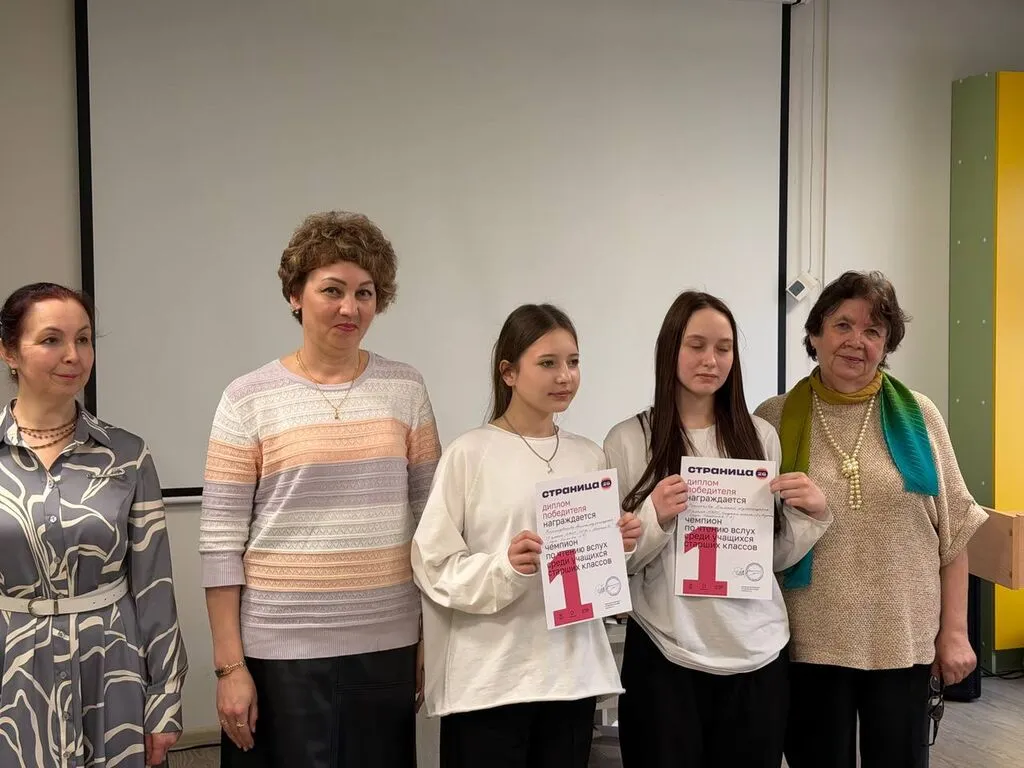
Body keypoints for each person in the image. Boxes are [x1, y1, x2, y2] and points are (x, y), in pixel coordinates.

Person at [199, 211, 441, 767]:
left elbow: (433, 525)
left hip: (387, 645)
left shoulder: (406, 388)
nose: (349, 308)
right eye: (332, 290)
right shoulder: (247, 397)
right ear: (295, 295)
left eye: (365, 293)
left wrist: (431, 635)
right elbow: (219, 545)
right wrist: (230, 667)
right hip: (278, 653)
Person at [754, 270, 988, 768]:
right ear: (815, 334)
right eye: (842, 325)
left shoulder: (920, 416)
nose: (856, 341)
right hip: (808, 640)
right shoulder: (773, 418)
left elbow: (955, 533)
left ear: (886, 345)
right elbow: (752, 531)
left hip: (902, 638)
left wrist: (954, 632)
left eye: (873, 331)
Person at [603, 290, 832, 768]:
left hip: (757, 653)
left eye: (723, 348)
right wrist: (654, 517)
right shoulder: (628, 440)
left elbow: (766, 559)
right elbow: (613, 566)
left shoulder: (759, 436)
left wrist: (810, 516)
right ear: (670, 349)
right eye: (696, 345)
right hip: (666, 653)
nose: (711, 360)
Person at [411, 303, 640, 768]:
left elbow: (595, 578)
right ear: (509, 372)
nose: (565, 376)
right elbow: (433, 564)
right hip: (490, 681)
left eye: (573, 362)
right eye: (548, 363)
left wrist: (620, 546)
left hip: (570, 678)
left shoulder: (588, 457)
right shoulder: (469, 453)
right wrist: (506, 567)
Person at [0, 282, 187, 768]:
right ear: (9, 352)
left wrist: (164, 698)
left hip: (113, 667)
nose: (73, 355)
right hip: (12, 668)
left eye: (83, 339)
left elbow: (154, 585)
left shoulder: (126, 455)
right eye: (51, 340)